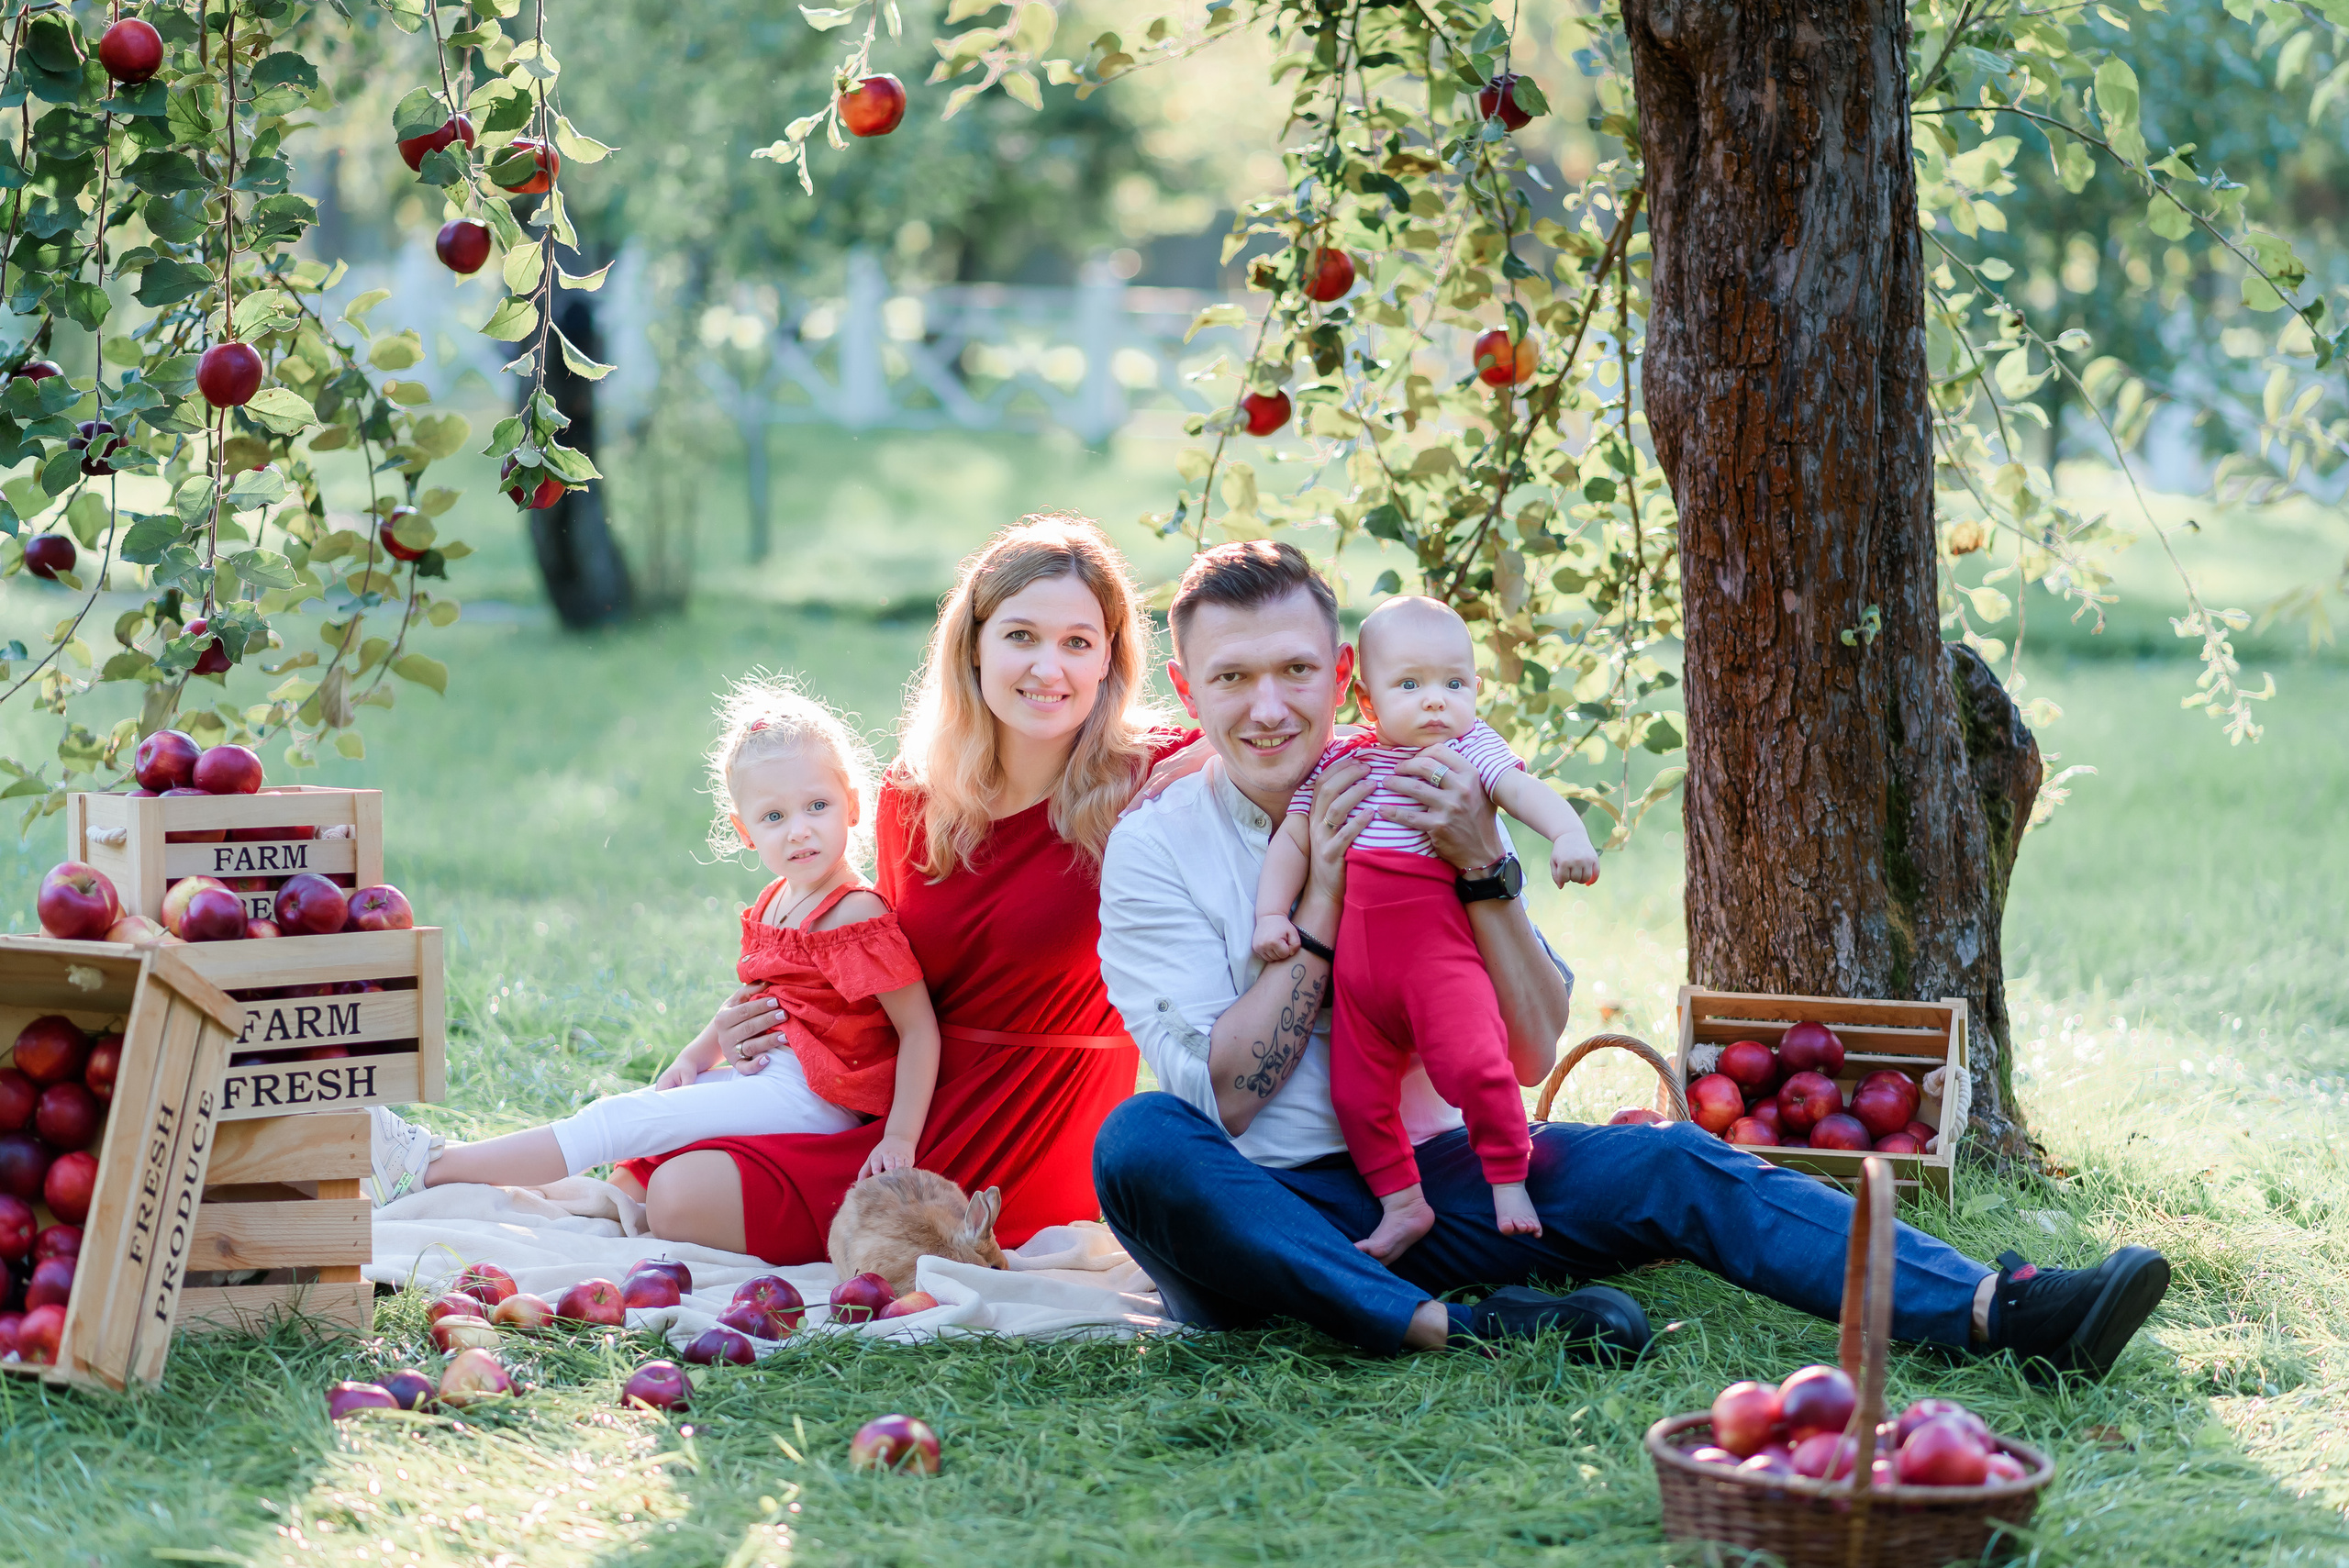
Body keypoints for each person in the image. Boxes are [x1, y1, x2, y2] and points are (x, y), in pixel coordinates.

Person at [1094, 539, 2172, 1375]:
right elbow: (1228, 1096)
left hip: (1441, 1182)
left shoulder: (1429, 787)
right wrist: (1321, 899)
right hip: (1261, 1215)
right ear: (1189, 695)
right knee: (1142, 1139)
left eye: (1293, 670)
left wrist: (1484, 869)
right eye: (1231, 678)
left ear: (1344, 677)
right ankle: (1455, 1328)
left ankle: (2002, 1308)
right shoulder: (1155, 847)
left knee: (1669, 1157)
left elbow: (1525, 1050)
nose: (1269, 705)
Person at [610, 514, 1193, 1260]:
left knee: (682, 1200)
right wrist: (738, 1024)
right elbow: (870, 971)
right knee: (676, 1183)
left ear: (1109, 659)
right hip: (910, 1105)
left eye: (1077, 642)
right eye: (1020, 635)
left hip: (1044, 1120)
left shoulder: (1151, 779)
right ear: (973, 645)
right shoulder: (915, 797)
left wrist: (1210, 753)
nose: (1049, 667)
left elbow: (1293, 738)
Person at [364, 679, 940, 1203]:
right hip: (775, 1078)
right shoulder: (777, 900)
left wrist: (899, 1135)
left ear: (854, 805)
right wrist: (696, 1056)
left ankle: (429, 1167)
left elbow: (917, 1028)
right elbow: (756, 1004)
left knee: (620, 1120)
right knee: (641, 1134)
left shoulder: (853, 913)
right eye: (773, 816)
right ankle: (460, 1180)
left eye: (819, 805)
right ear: (744, 832)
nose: (800, 829)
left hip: (818, 1100)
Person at [1253, 594, 1599, 1258]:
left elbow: (1524, 794)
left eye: (1454, 682)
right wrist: (1273, 913)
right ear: (1367, 702)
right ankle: (1402, 1203)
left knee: (1477, 1063)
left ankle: (1507, 1178)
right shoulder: (1341, 762)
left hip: (1438, 960)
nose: (1436, 701)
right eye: (1410, 684)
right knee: (1354, 1097)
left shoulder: (1472, 750)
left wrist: (1567, 833)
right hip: (1361, 980)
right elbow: (1294, 841)